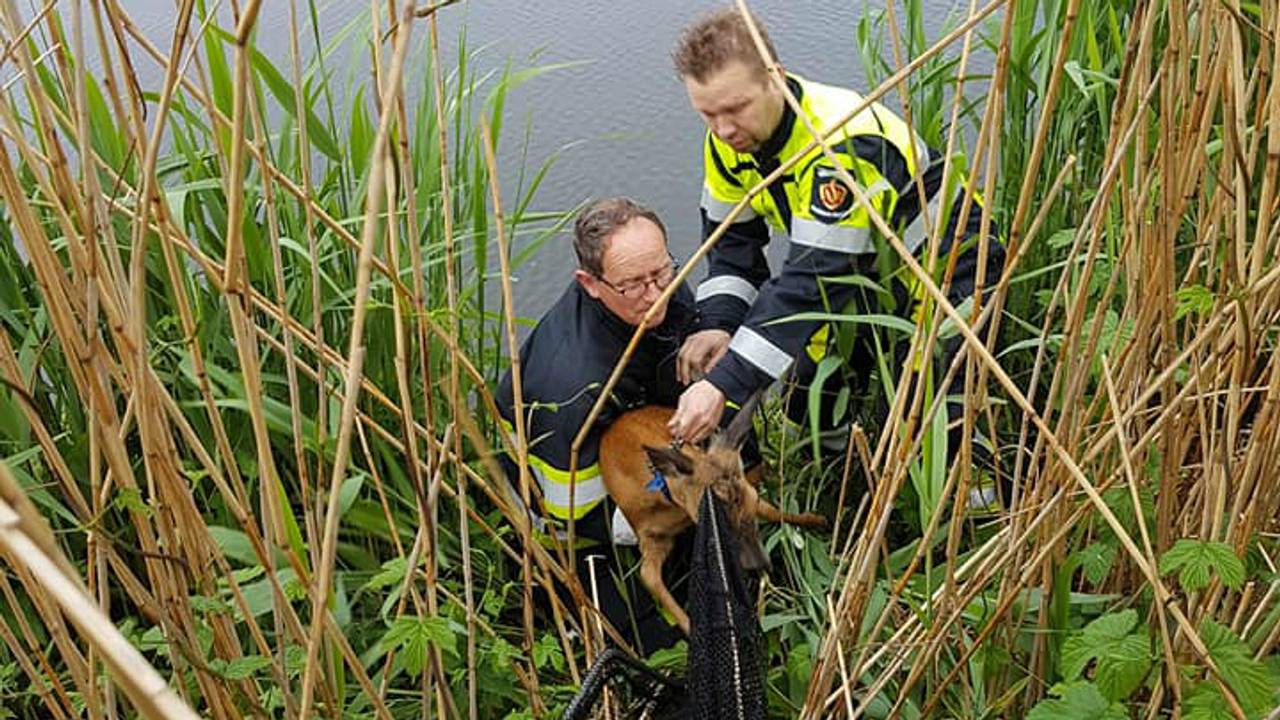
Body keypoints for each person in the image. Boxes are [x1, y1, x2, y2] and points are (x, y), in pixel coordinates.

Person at [666, 8, 1005, 448]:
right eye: (708, 114)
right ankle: (842, 480)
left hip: (944, 273)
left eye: (736, 108)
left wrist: (724, 382)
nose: (724, 129)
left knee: (922, 425)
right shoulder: (728, 144)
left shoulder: (841, 144)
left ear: (775, 77)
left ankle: (985, 484)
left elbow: (812, 281)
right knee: (809, 413)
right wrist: (718, 324)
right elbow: (732, 251)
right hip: (855, 273)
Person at [495, 197, 694, 656]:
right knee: (646, 644)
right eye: (634, 285)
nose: (656, 295)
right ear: (590, 284)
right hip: (572, 526)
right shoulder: (573, 390)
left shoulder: (653, 287)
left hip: (634, 450)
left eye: (662, 272)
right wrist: (678, 505)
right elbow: (576, 514)